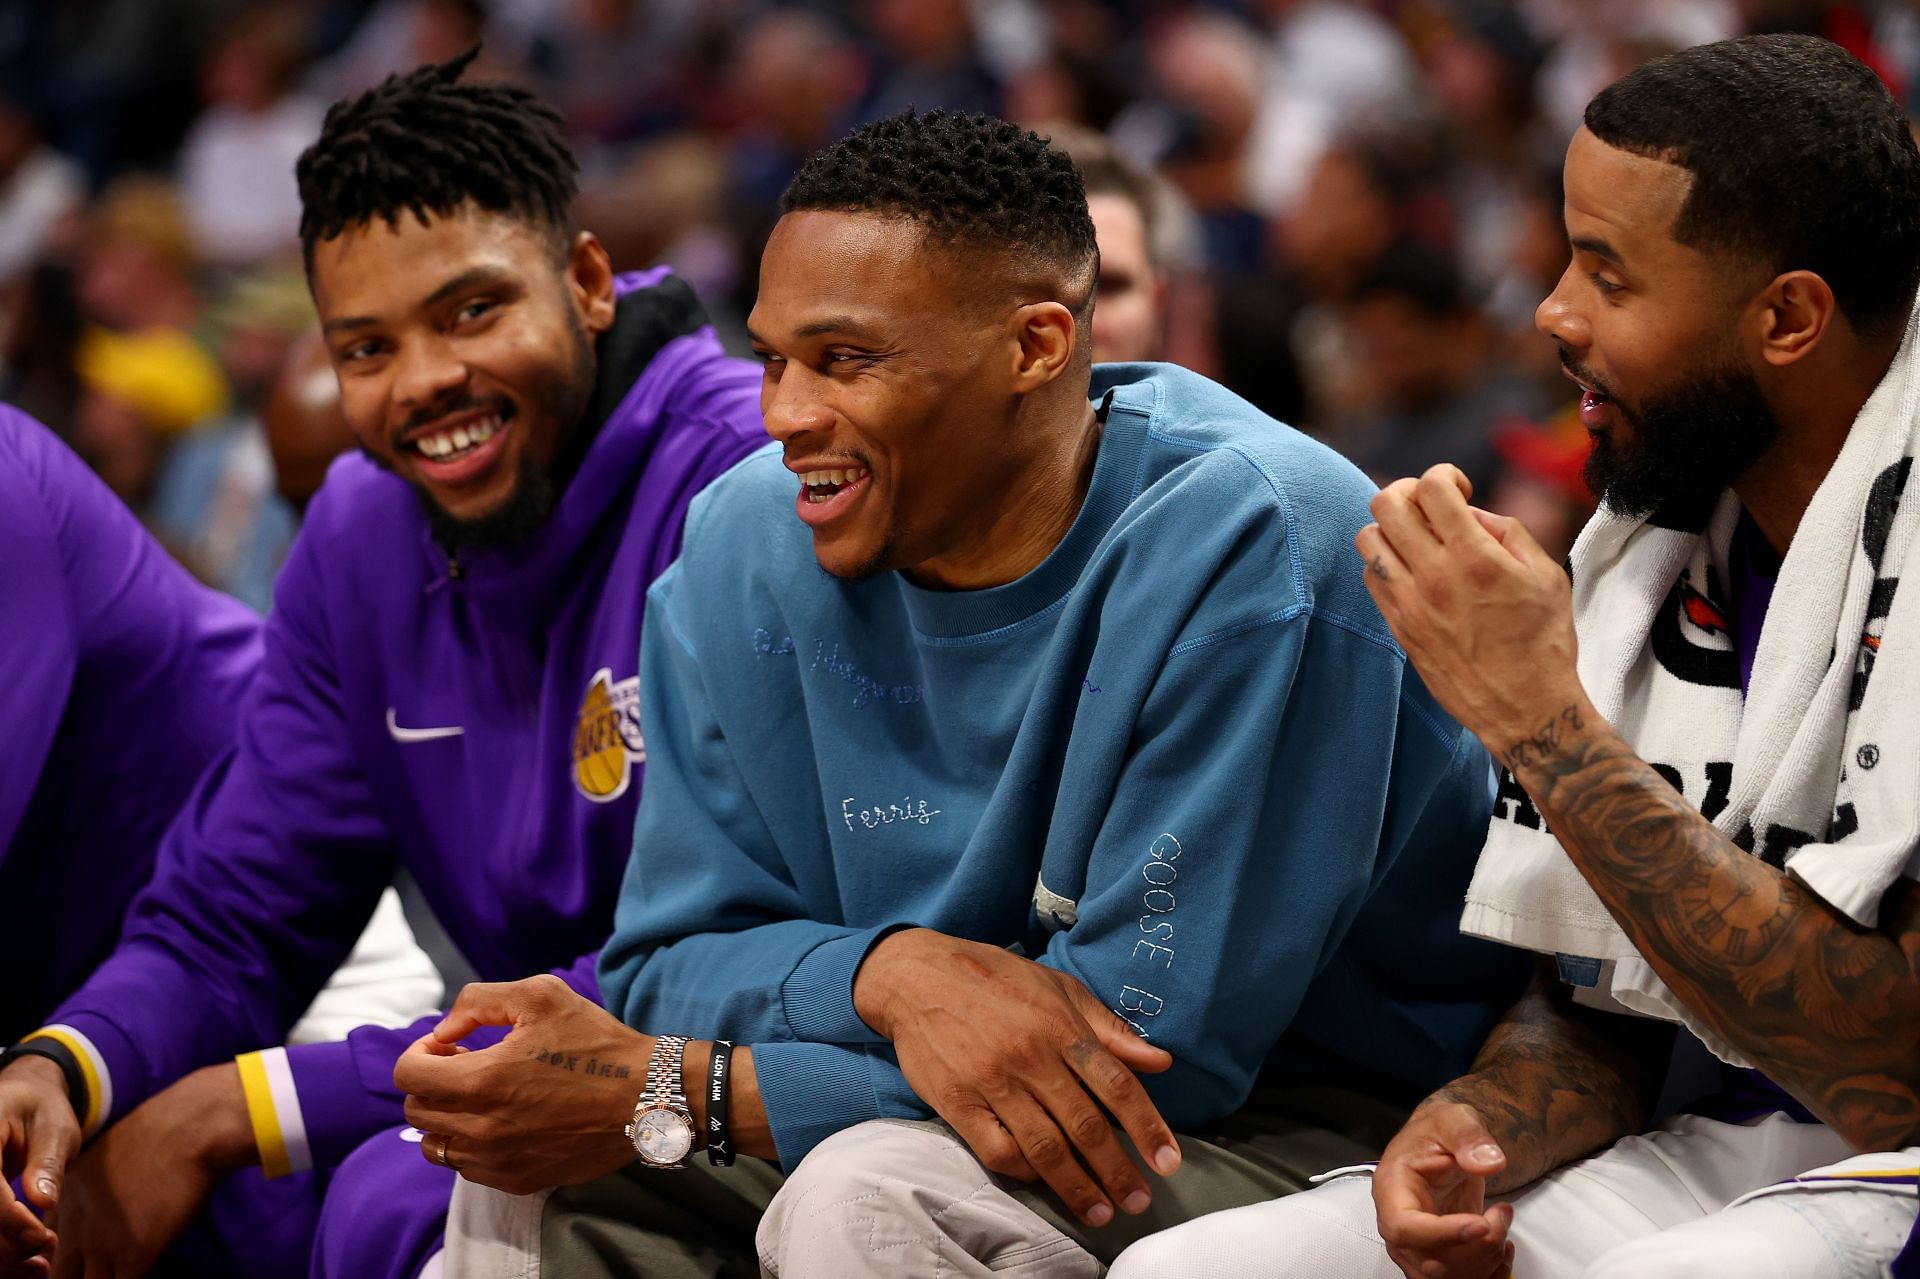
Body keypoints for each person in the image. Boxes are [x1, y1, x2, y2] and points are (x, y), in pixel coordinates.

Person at [401, 107, 1527, 1279]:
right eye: (775, 356)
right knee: (526, 1179)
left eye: (847, 360)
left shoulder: (1255, 539)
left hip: (1326, 1127)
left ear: (1035, 346)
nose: (784, 413)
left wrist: (688, 1091)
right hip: (936, 1091)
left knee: (870, 1198)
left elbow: (1145, 1058)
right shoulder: (740, 539)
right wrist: (891, 973)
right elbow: (663, 963)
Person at [1107, 34, 1920, 1279]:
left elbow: (1886, 1080)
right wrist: (1483, 1121)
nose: (1553, 311)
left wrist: (1544, 725)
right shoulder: (1662, 526)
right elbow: (1600, 994)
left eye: (1609, 273)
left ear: (1788, 318)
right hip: (1726, 1135)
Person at [0, 49, 767, 1279]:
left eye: (472, 312)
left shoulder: (742, 485)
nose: (425, 384)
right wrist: (62, 1064)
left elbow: (722, 948)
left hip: (750, 1070)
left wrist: (232, 1109)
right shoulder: (359, 535)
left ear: (585, 282)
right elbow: (231, 915)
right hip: (505, 1068)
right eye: (366, 348)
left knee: (385, 1194)